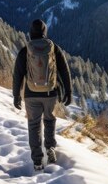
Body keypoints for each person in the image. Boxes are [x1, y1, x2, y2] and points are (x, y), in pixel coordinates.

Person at [13, 19, 72, 170]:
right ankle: (50, 148)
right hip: (50, 93)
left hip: (31, 94)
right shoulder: (53, 48)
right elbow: (64, 70)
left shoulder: (26, 50)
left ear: (31, 33)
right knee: (49, 120)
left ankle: (37, 161)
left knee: (34, 125)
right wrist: (68, 91)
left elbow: (17, 74)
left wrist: (16, 95)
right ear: (45, 32)